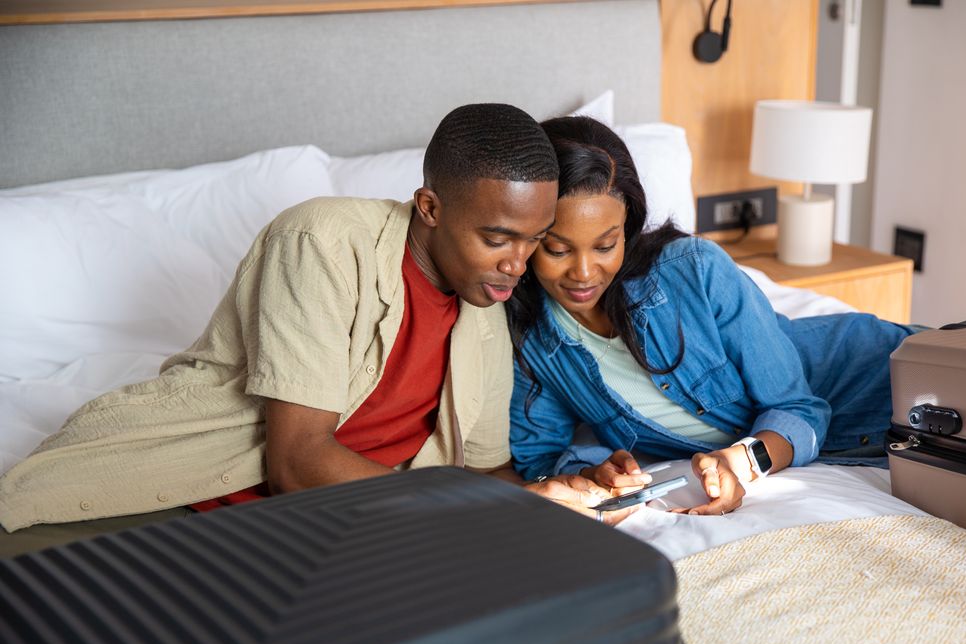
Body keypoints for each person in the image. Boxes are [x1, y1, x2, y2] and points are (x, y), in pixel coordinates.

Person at [0, 103, 619, 557]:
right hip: (176, 495)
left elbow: (484, 474)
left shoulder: (486, 299)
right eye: (497, 238)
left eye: (534, 241)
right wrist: (486, 509)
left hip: (332, 536)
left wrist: (563, 495)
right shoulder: (320, 241)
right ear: (430, 208)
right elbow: (297, 463)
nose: (517, 263)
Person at [506, 115, 918, 516]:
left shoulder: (694, 269)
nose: (582, 273)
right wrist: (592, 474)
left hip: (874, 373)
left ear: (627, 231)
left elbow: (801, 407)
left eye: (605, 246)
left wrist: (742, 462)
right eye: (557, 249)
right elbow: (540, 459)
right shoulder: (534, 339)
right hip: (868, 446)